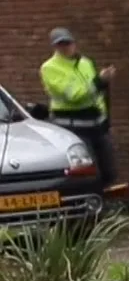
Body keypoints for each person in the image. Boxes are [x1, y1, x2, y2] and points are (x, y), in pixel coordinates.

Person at [40, 27, 118, 187]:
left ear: (74, 43)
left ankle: (104, 204)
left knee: (109, 171)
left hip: (96, 125)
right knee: (88, 173)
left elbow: (95, 96)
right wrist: (99, 81)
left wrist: (105, 120)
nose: (65, 47)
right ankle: (92, 206)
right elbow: (74, 96)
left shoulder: (86, 63)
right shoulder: (49, 68)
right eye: (60, 44)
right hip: (73, 128)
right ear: (55, 47)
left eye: (67, 43)